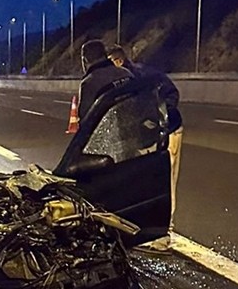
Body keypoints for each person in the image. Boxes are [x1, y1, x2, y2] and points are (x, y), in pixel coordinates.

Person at [108, 43, 182, 251]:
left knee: (165, 180)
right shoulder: (122, 81)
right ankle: (143, 228)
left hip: (168, 131)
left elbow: (172, 94)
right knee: (142, 180)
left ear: (119, 61)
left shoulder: (143, 76)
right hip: (144, 136)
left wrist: (158, 117)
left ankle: (163, 233)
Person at [76, 39, 133, 123]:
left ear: (85, 60)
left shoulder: (89, 83)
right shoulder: (126, 73)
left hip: (110, 128)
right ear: (105, 55)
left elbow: (85, 117)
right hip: (133, 124)